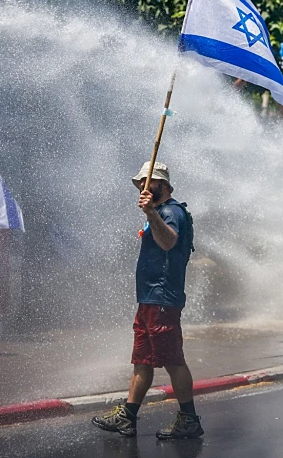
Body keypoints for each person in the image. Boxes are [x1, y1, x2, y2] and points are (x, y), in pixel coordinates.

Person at [92, 162, 202, 439]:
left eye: (148, 182)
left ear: (162, 185)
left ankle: (189, 419)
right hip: (149, 298)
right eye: (140, 183)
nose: (142, 187)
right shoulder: (161, 211)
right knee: (142, 360)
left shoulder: (172, 212)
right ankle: (128, 416)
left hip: (163, 298)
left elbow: (169, 242)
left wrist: (151, 213)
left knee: (173, 360)